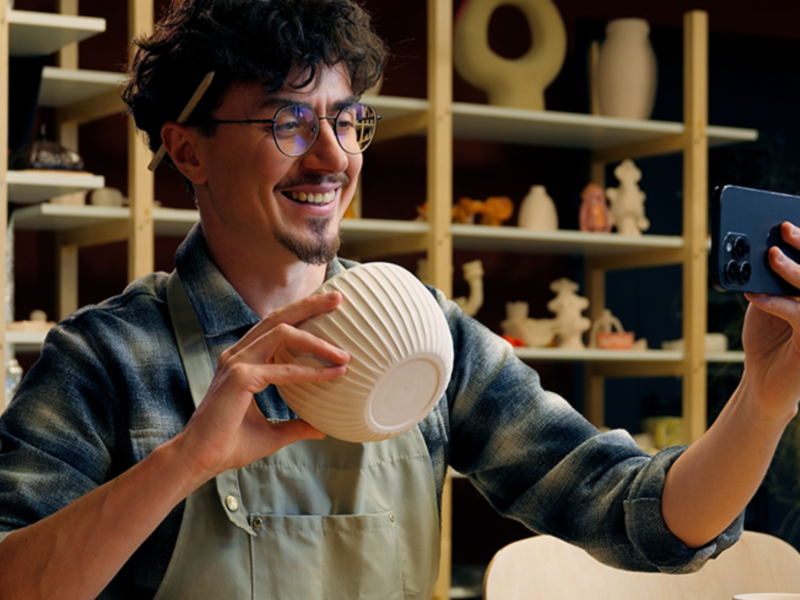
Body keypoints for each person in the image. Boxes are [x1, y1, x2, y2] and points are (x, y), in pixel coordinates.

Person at [1, 0, 800, 598]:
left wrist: (762, 403)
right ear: (187, 149)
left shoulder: (428, 334)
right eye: (289, 121)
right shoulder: (104, 359)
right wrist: (185, 462)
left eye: (348, 121)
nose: (332, 157)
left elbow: (641, 516)